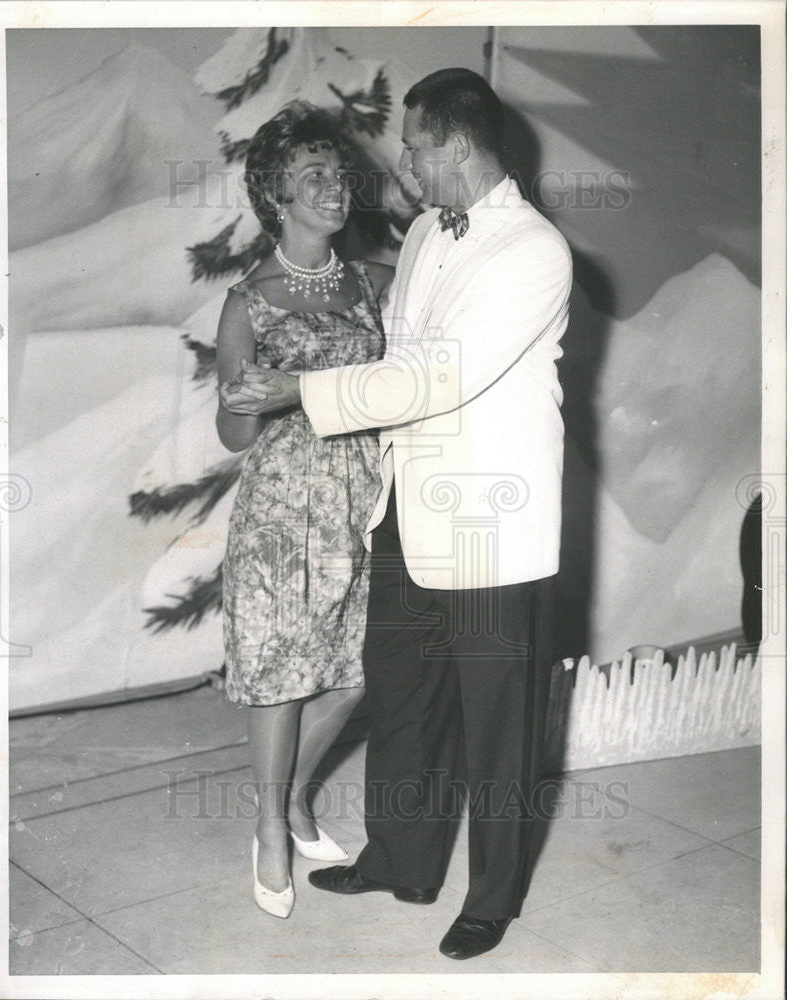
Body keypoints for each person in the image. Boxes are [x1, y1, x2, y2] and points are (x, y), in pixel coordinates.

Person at [224, 69, 573, 959]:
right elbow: (400, 350)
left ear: (453, 146)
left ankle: (492, 894)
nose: (404, 164)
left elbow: (437, 376)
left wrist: (302, 387)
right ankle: (404, 861)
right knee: (407, 700)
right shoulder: (423, 232)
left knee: (497, 721)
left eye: (414, 147)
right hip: (404, 508)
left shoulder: (534, 249)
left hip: (492, 520)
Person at [216, 101, 392, 920]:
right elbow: (231, 435)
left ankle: (289, 800)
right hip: (283, 512)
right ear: (276, 201)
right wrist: (245, 399)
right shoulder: (248, 302)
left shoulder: (368, 282)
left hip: (359, 504)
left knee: (353, 677)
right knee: (281, 680)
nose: (332, 187)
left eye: (335, 171)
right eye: (310, 177)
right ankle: (270, 828)